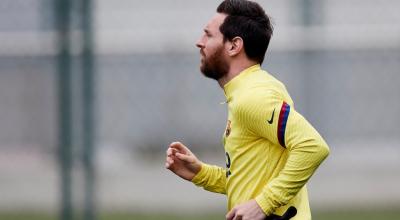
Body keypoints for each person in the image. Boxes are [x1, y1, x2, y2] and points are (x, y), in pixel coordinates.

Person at [165, 0, 330, 219]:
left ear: (234, 45)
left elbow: (313, 147)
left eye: (208, 35)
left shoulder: (253, 96)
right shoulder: (247, 91)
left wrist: (264, 204)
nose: (199, 42)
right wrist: (201, 173)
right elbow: (253, 180)